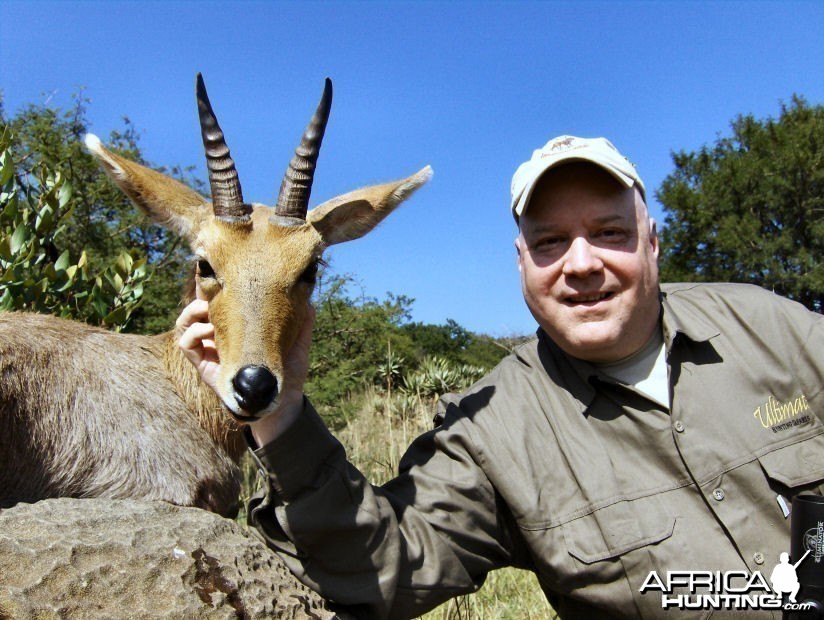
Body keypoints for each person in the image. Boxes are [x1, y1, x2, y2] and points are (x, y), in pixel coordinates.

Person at [178, 135, 824, 619]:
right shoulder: (489, 427)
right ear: (521, 263)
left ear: (652, 240)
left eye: (609, 233)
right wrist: (279, 412)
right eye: (550, 242)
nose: (581, 264)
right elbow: (389, 567)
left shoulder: (774, 328)